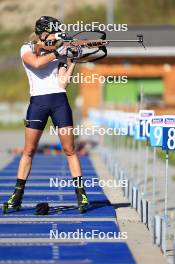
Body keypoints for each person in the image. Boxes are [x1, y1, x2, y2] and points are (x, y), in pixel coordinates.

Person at [3, 16, 89, 214]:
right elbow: (37, 63)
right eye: (54, 34)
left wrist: (72, 60)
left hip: (59, 101)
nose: (57, 37)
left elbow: (63, 83)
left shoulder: (58, 52)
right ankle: (16, 197)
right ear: (43, 34)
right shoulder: (26, 48)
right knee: (29, 150)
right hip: (38, 103)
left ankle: (81, 195)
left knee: (70, 149)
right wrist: (58, 51)